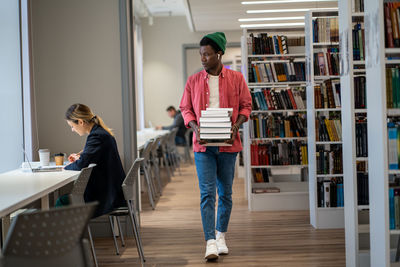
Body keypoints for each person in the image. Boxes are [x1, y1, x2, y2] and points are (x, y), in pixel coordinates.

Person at [179, 32, 252, 260]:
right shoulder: (193, 81)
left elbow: (246, 106)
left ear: (219, 54)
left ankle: (221, 235)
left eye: (207, 54)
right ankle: (209, 241)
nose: (203, 58)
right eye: (201, 54)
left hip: (228, 146)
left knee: (226, 194)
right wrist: (195, 127)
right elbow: (185, 108)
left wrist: (236, 125)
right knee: (207, 194)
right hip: (203, 147)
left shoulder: (237, 79)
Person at [57, 103, 126, 218]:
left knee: (62, 202)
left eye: (72, 126)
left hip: (105, 196)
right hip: (111, 191)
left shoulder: (96, 136)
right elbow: (92, 159)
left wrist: (65, 167)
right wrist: (80, 158)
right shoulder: (101, 133)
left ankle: (64, 235)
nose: (72, 130)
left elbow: (82, 165)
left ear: (80, 121)